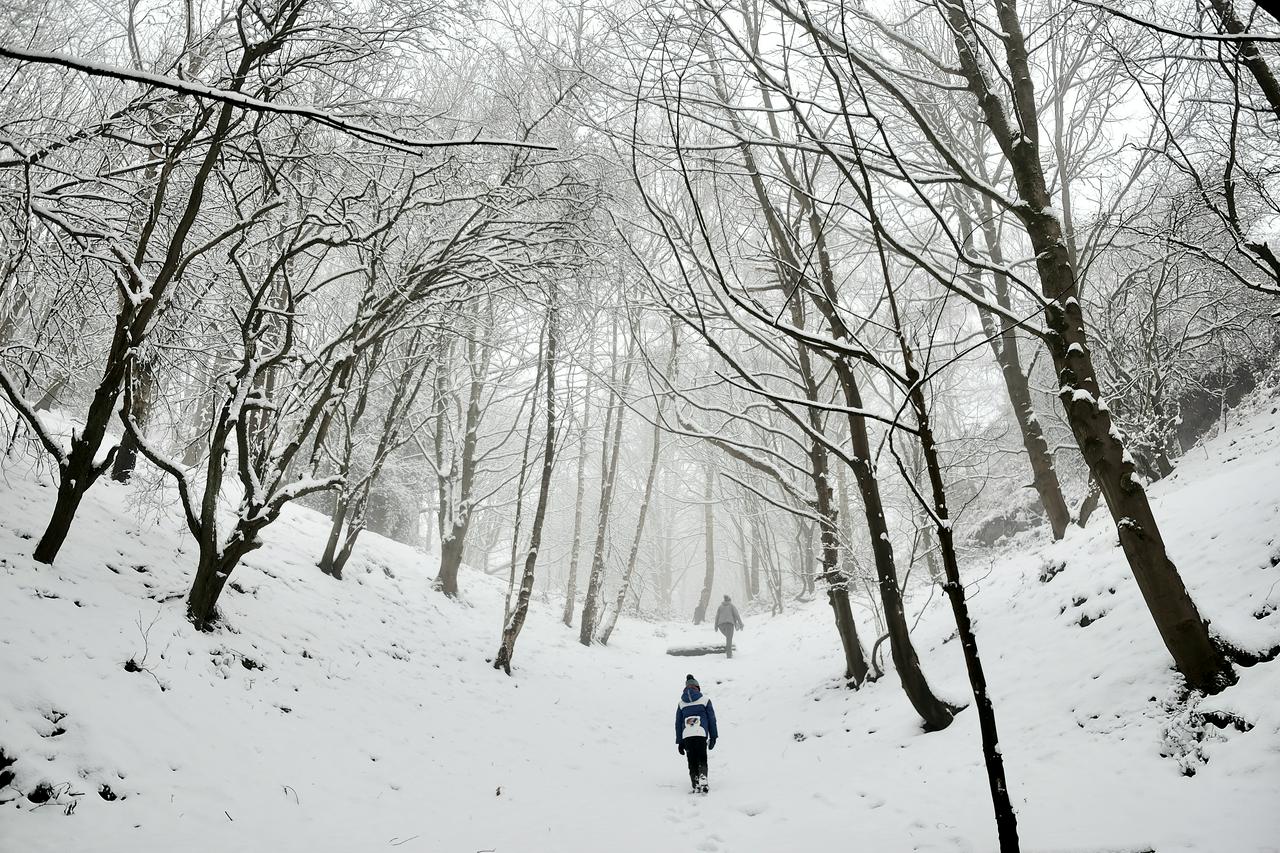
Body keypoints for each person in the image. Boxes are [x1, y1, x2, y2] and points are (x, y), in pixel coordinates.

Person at [675, 674, 717, 794]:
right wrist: (713, 736)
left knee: (691, 759)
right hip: (701, 733)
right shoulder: (705, 700)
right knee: (702, 757)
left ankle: (695, 781)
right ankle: (703, 776)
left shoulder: (681, 704)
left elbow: (678, 724)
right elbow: (711, 720)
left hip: (687, 735)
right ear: (697, 687)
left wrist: (680, 741)